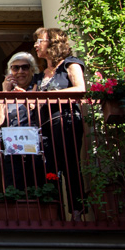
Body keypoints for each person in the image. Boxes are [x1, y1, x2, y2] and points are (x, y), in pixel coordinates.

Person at [33, 27, 86, 220]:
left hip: (65, 120)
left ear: (53, 42)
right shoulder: (40, 76)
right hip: (45, 126)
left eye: (39, 41)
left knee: (70, 164)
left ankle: (77, 213)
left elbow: (80, 88)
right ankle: (56, 214)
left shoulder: (70, 64)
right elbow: (33, 101)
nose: (36, 45)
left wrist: (51, 95)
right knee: (50, 168)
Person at [0, 52, 45, 193]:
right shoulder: (6, 95)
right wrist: (5, 92)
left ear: (32, 70)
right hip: (12, 150)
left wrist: (26, 99)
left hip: (36, 149)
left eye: (25, 67)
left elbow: (42, 115)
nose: (20, 71)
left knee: (37, 187)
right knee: (14, 187)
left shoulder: (38, 89)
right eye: (15, 68)